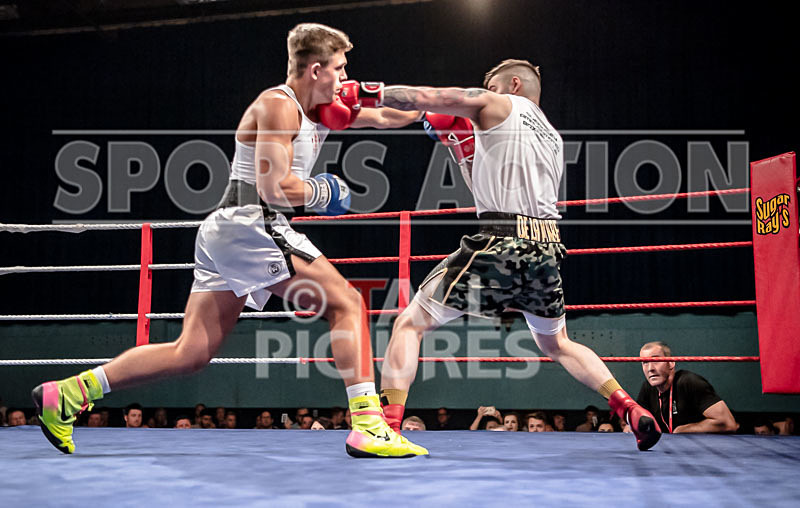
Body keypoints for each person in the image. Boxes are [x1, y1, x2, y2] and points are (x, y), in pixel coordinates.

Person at [31, 22, 426, 458]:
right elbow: (275, 187)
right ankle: (368, 426)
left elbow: (390, 114)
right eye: (339, 67)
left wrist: (439, 108)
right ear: (316, 70)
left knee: (190, 353)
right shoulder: (277, 106)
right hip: (251, 221)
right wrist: (323, 192)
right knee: (347, 303)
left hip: (229, 229)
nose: (345, 77)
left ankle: (68, 393)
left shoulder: (320, 109)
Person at [370, 59, 660, 451]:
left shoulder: (499, 104)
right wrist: (464, 151)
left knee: (409, 322)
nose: (485, 92)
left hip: (502, 239)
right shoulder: (552, 137)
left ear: (514, 84)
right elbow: (500, 180)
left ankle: (387, 427)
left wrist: (367, 92)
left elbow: (428, 98)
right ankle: (629, 408)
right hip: (547, 247)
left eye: (490, 85)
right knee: (557, 344)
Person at [637, 341, 738, 434]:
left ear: (671, 363)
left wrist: (684, 429)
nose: (650, 369)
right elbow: (635, 421)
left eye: (655, 360)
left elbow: (728, 423)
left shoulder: (689, 382)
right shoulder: (647, 388)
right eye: (645, 362)